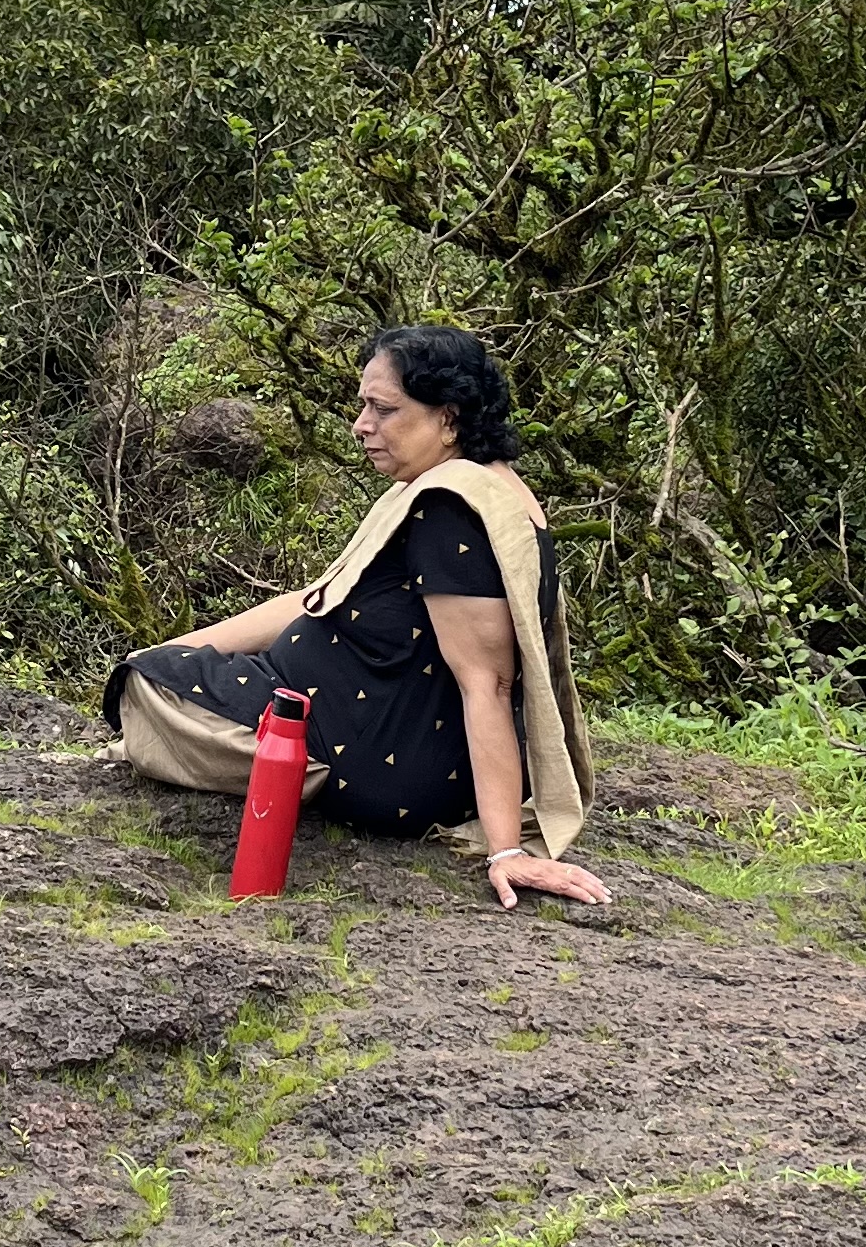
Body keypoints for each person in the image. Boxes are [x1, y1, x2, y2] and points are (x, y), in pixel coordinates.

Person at [104, 327, 611, 910]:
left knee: (146, 693)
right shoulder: (458, 485)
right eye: (364, 404)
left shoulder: (453, 508)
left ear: (448, 418)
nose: (361, 424)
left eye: (384, 409)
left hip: (359, 756)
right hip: (349, 719)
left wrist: (505, 851)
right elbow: (315, 599)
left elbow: (487, 682)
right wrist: (181, 651)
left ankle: (277, 763)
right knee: (152, 672)